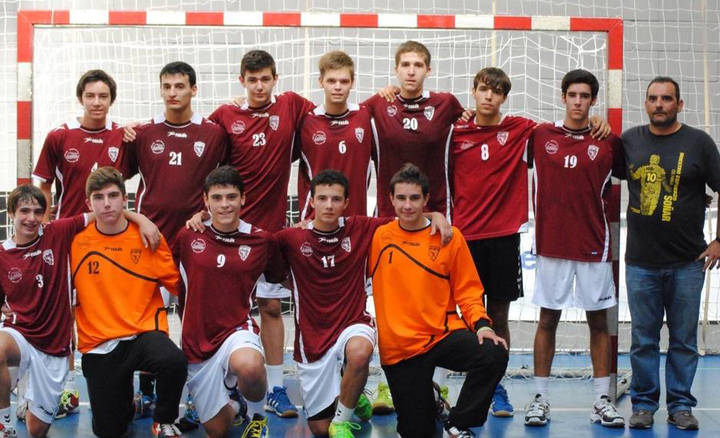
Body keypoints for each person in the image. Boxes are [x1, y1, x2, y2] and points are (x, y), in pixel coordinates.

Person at [0, 184, 158, 438]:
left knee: (36, 430)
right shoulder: (2, 255)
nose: (31, 218)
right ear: (11, 213)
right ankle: (5, 426)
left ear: (46, 214)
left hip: (53, 347)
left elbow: (103, 211)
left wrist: (141, 219)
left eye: (38, 212)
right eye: (24, 211)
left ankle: (30, 395)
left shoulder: (58, 232)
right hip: (19, 335)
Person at [208, 50, 315, 418]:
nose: (258, 86)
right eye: (251, 80)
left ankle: (276, 387)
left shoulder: (292, 106)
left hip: (270, 231)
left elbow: (335, 112)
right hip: (228, 230)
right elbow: (197, 150)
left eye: (264, 79)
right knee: (223, 310)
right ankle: (218, 385)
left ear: (275, 78)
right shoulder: (224, 115)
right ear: (241, 81)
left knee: (271, 307)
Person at [368, 163, 508, 438]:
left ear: (426, 200)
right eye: (401, 198)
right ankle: (429, 402)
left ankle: (458, 423)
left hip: (441, 335)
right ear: (390, 200)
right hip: (400, 349)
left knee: (493, 351)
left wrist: (482, 325)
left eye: (415, 198)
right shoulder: (378, 236)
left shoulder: (449, 238)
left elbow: (468, 291)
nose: (408, 205)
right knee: (416, 432)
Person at [524, 69, 625, 428]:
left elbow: (636, 175)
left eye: (585, 96)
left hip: (593, 246)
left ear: (594, 100)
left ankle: (601, 400)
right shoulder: (539, 135)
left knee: (598, 321)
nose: (579, 102)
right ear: (562, 96)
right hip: (551, 246)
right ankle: (540, 398)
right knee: (547, 319)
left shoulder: (609, 143)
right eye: (573, 95)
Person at [622, 76, 720, 431]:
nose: (659, 104)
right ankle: (644, 405)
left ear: (679, 104)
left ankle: (680, 405)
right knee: (643, 340)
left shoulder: (699, 142)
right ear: (645, 103)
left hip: (687, 263)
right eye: (653, 98)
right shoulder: (629, 140)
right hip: (641, 264)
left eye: (666, 98)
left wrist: (719, 239)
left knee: (683, 340)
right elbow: (611, 175)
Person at [31, 69, 126, 417]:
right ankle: (68, 387)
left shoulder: (123, 136)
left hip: (112, 238)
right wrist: (46, 221)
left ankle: (121, 380)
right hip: (70, 239)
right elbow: (41, 183)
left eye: (103, 96)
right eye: (90, 96)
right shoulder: (60, 136)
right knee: (66, 310)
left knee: (111, 307)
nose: (96, 102)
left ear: (111, 100)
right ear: (81, 98)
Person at [71, 167, 187, 438]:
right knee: (110, 431)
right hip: (99, 344)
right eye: (99, 197)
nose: (107, 203)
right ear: (89, 203)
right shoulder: (75, 242)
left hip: (142, 334)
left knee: (174, 361)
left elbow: (181, 289)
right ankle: (127, 403)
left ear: (126, 200)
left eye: (113, 195)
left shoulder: (150, 238)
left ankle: (164, 420)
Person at [175, 166, 285, 438]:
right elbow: (174, 287)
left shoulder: (261, 240)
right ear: (206, 201)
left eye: (231, 197)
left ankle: (258, 417)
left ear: (243, 199)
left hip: (237, 330)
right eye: (217, 198)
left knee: (248, 365)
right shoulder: (188, 236)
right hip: (197, 342)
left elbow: (279, 279)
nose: (225, 205)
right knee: (217, 431)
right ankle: (236, 402)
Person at [365, 41, 464, 219]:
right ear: (396, 70)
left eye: (418, 65)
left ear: (428, 71)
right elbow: (346, 117)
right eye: (405, 65)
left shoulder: (446, 104)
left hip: (436, 215)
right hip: (389, 214)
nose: (411, 72)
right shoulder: (379, 104)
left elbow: (473, 124)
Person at [297, 51, 375, 219]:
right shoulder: (305, 119)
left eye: (344, 81)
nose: (338, 87)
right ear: (321, 82)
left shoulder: (366, 116)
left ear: (352, 83)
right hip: (315, 223)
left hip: (355, 219)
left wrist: (391, 89)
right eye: (331, 81)